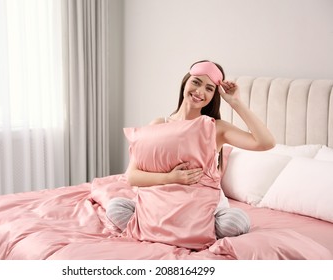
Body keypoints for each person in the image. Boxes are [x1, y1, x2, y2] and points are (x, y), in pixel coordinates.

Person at [106, 60, 276, 239]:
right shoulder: (159, 124)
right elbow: (132, 176)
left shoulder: (215, 128)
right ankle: (176, 232)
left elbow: (265, 142)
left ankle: (164, 230)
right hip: (161, 204)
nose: (200, 91)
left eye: (209, 88)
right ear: (185, 82)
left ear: (213, 96)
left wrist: (235, 102)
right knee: (115, 207)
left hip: (202, 209)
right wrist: (171, 178)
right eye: (196, 82)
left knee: (236, 222)